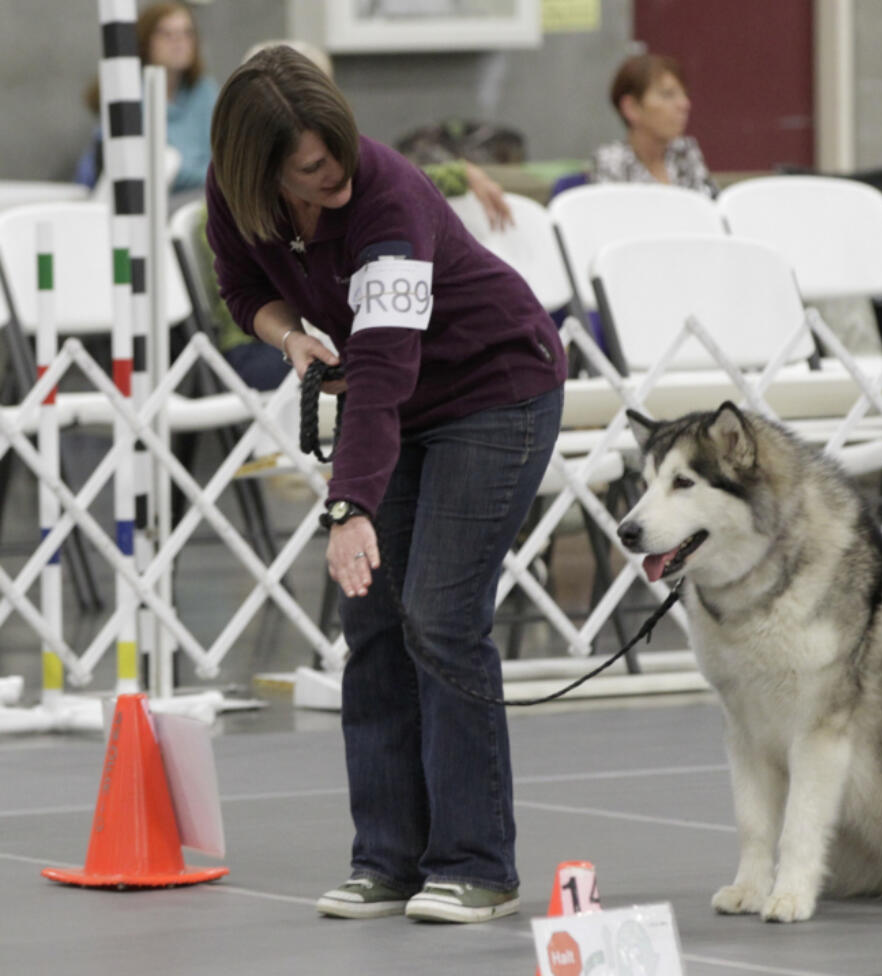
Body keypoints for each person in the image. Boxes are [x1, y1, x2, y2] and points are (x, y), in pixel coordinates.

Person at [206, 45, 566, 923]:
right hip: (403, 403)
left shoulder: (390, 201)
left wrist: (348, 505)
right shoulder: (232, 192)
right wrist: (289, 333)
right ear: (257, 171)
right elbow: (241, 284)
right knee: (372, 624)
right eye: (307, 173)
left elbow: (381, 373)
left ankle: (476, 863)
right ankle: (387, 860)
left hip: (496, 390)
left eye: (335, 160)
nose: (330, 181)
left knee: (441, 615)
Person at [197, 38, 515, 392]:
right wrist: (291, 338)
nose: (308, 108)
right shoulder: (227, 200)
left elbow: (395, 185)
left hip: (389, 353)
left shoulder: (359, 176)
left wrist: (463, 173)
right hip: (260, 344)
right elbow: (241, 291)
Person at [76, 2, 218, 196]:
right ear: (146, 40)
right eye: (167, 34)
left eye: (187, 33)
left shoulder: (205, 92)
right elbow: (141, 169)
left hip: (199, 197)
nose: (179, 41)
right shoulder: (127, 95)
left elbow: (219, 160)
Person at [592, 53, 717, 197]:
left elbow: (710, 210)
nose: (684, 104)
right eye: (668, 95)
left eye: (684, 94)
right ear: (631, 108)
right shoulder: (612, 162)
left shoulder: (685, 152)